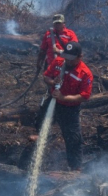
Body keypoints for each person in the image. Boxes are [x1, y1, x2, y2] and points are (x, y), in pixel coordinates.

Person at [35, 41, 93, 171]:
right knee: (40, 121)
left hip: (69, 108)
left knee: (73, 138)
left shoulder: (84, 73)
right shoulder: (59, 63)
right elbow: (46, 76)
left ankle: (75, 167)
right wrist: (52, 81)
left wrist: (64, 98)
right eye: (66, 57)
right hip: (53, 102)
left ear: (80, 57)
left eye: (71, 59)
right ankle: (37, 144)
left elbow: (84, 96)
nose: (68, 61)